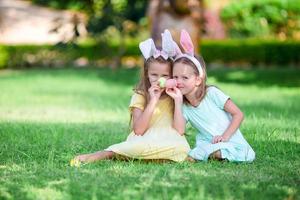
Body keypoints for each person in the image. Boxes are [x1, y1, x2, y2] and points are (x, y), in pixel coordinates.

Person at [70, 30, 190, 166]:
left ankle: (143, 156)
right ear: (147, 74)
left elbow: (180, 130)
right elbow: (138, 130)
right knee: (137, 146)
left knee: (183, 148)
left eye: (165, 75)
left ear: (172, 75)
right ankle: (107, 153)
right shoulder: (140, 95)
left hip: (169, 137)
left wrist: (178, 101)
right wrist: (153, 101)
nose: (159, 79)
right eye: (154, 75)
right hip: (144, 138)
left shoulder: (175, 95)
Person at [166, 30, 255, 162]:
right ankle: (213, 153)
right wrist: (178, 101)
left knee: (247, 155)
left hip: (229, 138)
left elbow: (238, 114)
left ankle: (217, 153)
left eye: (185, 77)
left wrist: (224, 137)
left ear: (198, 79)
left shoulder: (211, 93)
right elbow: (179, 130)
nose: (178, 81)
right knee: (200, 150)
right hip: (207, 142)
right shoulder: (184, 105)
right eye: (175, 77)